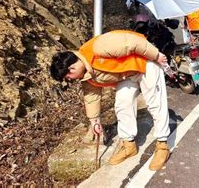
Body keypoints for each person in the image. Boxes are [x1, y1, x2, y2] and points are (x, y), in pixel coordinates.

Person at [49, 30, 171, 170]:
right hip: (126, 75)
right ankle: (129, 145)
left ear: (71, 69)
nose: (69, 81)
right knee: (122, 104)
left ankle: (162, 145)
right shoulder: (86, 76)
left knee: (156, 103)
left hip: (145, 63)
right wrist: (94, 121)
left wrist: (156, 55)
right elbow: (91, 97)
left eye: (67, 78)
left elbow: (132, 43)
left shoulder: (100, 47)